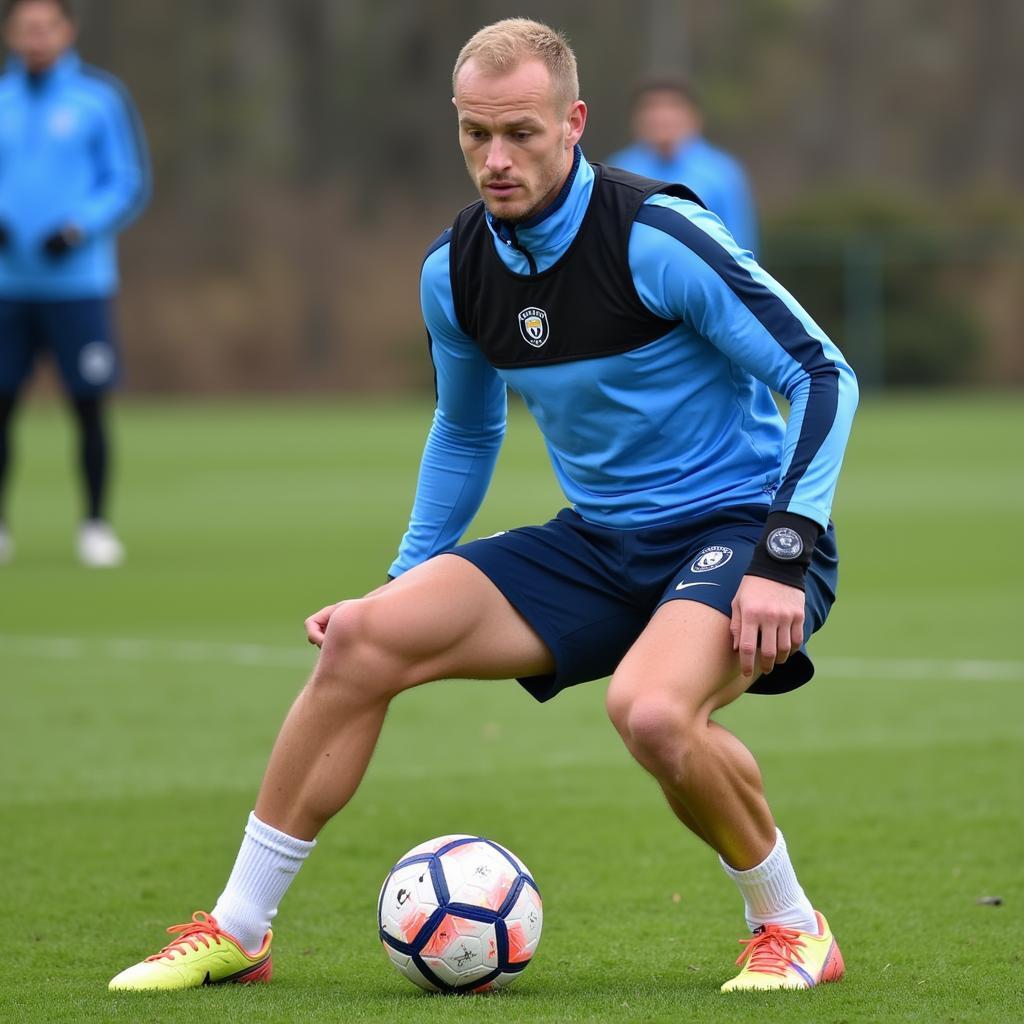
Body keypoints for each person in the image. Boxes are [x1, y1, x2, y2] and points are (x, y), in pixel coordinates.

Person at [109, 17, 857, 994]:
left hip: (737, 535)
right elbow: (466, 431)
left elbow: (819, 371)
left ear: (573, 122)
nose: (494, 159)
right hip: (598, 544)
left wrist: (781, 555)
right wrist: (405, 580)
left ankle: (794, 929)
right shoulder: (454, 273)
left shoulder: (658, 237)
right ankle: (238, 929)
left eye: (520, 133)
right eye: (474, 134)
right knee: (360, 642)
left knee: (651, 713)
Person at [0, 0, 150, 566]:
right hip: (6, 286)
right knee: (2, 404)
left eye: (46, 27)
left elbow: (127, 180)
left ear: (67, 31)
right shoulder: (3, 100)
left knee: (87, 403)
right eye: (25, 28)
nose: (36, 38)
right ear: (12, 34)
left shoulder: (98, 99)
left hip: (78, 285)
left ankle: (94, 523)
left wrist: (78, 227)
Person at [607, 74, 759, 256]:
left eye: (673, 106)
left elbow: (741, 246)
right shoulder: (618, 170)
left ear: (695, 116)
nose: (662, 116)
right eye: (652, 107)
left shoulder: (722, 173)